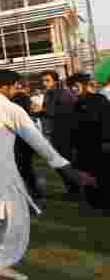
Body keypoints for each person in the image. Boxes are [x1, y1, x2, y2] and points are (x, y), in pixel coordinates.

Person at [0, 70, 93, 280]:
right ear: (6, 87)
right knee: (15, 219)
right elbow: (38, 142)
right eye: (15, 87)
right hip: (2, 171)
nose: (16, 91)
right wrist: (69, 171)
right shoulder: (9, 108)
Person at [66, 73, 110, 210]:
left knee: (103, 175)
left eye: (75, 86)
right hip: (83, 148)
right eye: (71, 87)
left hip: (100, 146)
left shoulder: (99, 100)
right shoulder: (76, 103)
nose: (73, 89)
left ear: (84, 85)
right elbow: (74, 128)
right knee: (87, 176)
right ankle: (96, 203)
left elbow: (107, 122)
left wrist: (106, 141)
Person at [39, 70, 81, 198]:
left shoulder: (61, 93)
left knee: (63, 162)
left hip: (63, 133)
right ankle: (72, 189)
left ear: (55, 81)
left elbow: (60, 113)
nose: (44, 83)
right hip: (54, 133)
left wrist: (41, 111)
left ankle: (75, 189)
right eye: (43, 80)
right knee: (60, 162)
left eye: (47, 80)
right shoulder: (49, 93)